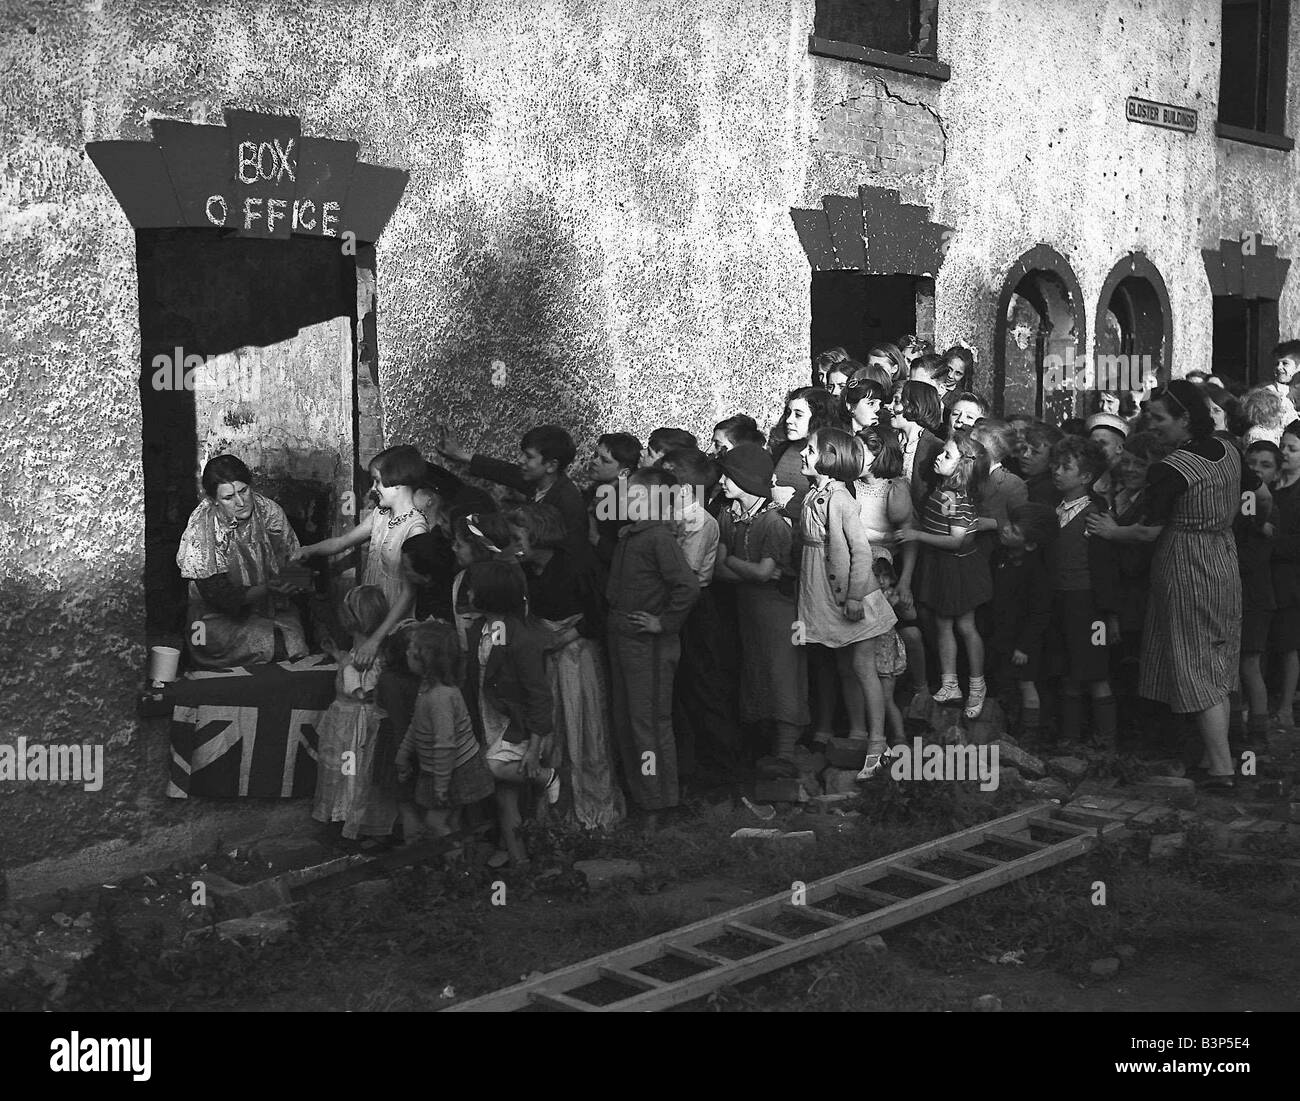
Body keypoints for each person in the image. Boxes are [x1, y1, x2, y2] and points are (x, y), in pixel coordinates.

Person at [1086, 380, 1247, 789]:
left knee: (1196, 665)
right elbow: (1253, 495)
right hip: (1223, 558)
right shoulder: (1229, 449)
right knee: (1215, 661)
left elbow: (1146, 532)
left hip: (1188, 566)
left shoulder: (1171, 468)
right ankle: (1216, 763)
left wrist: (1109, 530)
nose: (1151, 425)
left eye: (1159, 418)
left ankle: (1223, 769)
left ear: (1185, 418)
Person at [506, 503, 622, 828]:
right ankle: (558, 812)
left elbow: (599, 616)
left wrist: (562, 637)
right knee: (552, 728)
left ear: (538, 537)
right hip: (545, 655)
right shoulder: (527, 571)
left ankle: (593, 810)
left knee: (584, 726)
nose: (514, 545)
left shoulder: (575, 566)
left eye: (519, 537)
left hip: (576, 655)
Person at [606, 468, 700, 831]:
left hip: (649, 647)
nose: (625, 500)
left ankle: (659, 803)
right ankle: (643, 797)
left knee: (648, 724)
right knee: (628, 720)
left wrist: (663, 622)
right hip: (625, 641)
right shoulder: (632, 535)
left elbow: (687, 588)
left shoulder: (658, 537)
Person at [797, 428, 897, 767]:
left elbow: (861, 551)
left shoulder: (840, 499)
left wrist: (854, 597)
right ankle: (856, 732)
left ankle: (878, 742)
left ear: (829, 456)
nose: (803, 454)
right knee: (844, 665)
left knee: (862, 666)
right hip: (823, 591)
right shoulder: (816, 494)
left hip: (851, 596)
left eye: (810, 450)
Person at [713, 444, 808, 769]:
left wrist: (735, 563)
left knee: (783, 674)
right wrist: (748, 570)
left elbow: (763, 571)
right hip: (749, 611)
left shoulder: (774, 522)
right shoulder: (729, 514)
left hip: (778, 613)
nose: (722, 482)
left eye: (729, 476)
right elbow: (719, 569)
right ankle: (767, 749)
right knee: (757, 673)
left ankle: (785, 752)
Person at [291, 446, 428, 668]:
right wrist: (309, 549)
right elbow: (342, 542)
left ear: (398, 482)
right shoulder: (381, 515)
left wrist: (375, 641)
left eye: (377, 481)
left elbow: (408, 594)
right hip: (369, 616)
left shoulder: (415, 529)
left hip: (391, 623)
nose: (374, 488)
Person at [462, 559, 561, 867]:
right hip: (489, 720)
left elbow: (539, 696)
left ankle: (546, 776)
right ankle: (521, 864)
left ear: (489, 595)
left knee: (489, 769)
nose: (467, 594)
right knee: (505, 800)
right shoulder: (479, 628)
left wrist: (535, 749)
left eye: (472, 589)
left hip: (515, 726)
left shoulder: (521, 638)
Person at [176, 454, 310, 668]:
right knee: (267, 644)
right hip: (215, 616)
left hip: (270, 609)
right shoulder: (202, 525)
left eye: (244, 491)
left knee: (293, 645)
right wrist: (266, 588)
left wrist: (295, 581)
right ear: (214, 500)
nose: (240, 502)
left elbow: (293, 561)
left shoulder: (270, 512)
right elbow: (220, 595)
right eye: (229, 498)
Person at [897, 430, 992, 719]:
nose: (939, 456)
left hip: (957, 568)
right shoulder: (940, 490)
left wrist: (917, 534)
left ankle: (977, 685)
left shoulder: (957, 498)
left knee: (965, 626)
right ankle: (950, 683)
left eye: (947, 455)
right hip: (940, 567)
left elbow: (955, 540)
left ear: (962, 466)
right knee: (942, 623)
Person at [394, 621, 495, 860]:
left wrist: (440, 787)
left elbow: (445, 743)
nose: (407, 652)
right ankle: (464, 865)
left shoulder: (440, 697)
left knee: (435, 823)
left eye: (413, 648)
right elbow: (417, 725)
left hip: (454, 771)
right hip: (444, 770)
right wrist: (403, 754)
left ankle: (458, 872)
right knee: (451, 820)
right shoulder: (428, 688)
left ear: (427, 658)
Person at [1044, 437, 1121, 748]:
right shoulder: (1054, 509)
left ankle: (1106, 742)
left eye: (1067, 467)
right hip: (1061, 601)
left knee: (1096, 669)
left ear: (1086, 477)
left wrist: (1110, 615)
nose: (1057, 472)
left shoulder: (1095, 513)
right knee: (1069, 669)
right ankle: (1069, 737)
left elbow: (1106, 568)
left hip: (1089, 605)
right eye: (1056, 465)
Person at [437, 424, 593, 568]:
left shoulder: (568, 503)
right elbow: (504, 471)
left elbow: (573, 555)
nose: (520, 460)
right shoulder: (539, 481)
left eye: (529, 457)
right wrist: (460, 455)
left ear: (551, 465)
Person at [312, 586, 394, 843]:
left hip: (355, 727)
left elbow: (362, 691)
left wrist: (346, 667)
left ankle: (354, 827)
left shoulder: (366, 659)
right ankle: (347, 822)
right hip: (346, 724)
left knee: (353, 777)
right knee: (348, 774)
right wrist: (339, 656)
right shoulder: (362, 654)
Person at [985, 503, 1056, 742]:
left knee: (1027, 685)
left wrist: (1024, 646)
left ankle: (1030, 736)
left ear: (1030, 544)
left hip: (1026, 641)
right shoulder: (999, 557)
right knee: (1004, 683)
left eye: (1014, 530)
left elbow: (1039, 613)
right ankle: (1007, 731)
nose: (1005, 529)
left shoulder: (1037, 572)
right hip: (1001, 633)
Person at [1236, 441, 1279, 747]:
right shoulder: (1244, 503)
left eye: (1265, 465)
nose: (1256, 470)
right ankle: (1240, 728)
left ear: (1276, 473)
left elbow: (1254, 556)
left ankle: (1258, 734)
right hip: (1243, 594)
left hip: (1255, 597)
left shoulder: (1268, 509)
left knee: (1249, 664)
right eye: (1252, 463)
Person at [770, 387, 843, 519]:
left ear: (818, 419)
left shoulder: (831, 459)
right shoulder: (782, 449)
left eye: (798, 415)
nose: (788, 420)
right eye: (788, 413)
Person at [869, 558, 909, 750]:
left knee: (886, 698)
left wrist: (899, 601)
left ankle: (899, 736)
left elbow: (911, 614)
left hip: (886, 655)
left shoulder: (891, 595)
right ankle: (878, 736)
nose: (883, 580)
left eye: (886, 575)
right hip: (871, 654)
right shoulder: (866, 596)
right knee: (870, 696)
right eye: (877, 576)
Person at [587, 431, 642, 568]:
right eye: (595, 455)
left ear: (624, 472)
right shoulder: (596, 489)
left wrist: (595, 538)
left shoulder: (626, 505)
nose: (594, 462)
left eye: (605, 460)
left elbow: (626, 557)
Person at [889, 380, 946, 508]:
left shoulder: (936, 448)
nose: (889, 406)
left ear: (914, 405)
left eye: (897, 401)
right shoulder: (889, 441)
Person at [1086, 411, 1129, 512]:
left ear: (1119, 448)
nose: (1096, 448)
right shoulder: (1090, 474)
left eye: (1103, 443)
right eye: (1093, 443)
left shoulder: (1127, 476)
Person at [1019, 422, 1064, 506]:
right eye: (1023, 448)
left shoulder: (1045, 491)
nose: (1025, 455)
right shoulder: (1019, 476)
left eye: (1035, 452)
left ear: (1052, 459)